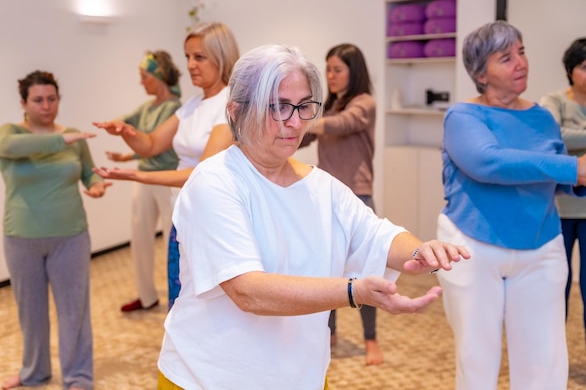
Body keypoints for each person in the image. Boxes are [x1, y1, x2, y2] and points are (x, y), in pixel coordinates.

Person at [155, 44, 470, 390]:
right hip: (209, 378)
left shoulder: (322, 186)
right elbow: (248, 291)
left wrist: (418, 251)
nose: (294, 121)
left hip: (298, 376)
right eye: (278, 107)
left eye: (304, 106)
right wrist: (353, 292)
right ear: (236, 112)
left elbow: (377, 233)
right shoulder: (214, 182)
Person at [436, 21, 586, 390]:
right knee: (478, 359)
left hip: (541, 245)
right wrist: (573, 168)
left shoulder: (542, 117)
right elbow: (490, 163)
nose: (521, 63)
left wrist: (576, 182)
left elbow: (549, 179)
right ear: (480, 74)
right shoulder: (463, 117)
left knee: (545, 362)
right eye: (506, 57)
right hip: (472, 246)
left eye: (521, 52)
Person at [93, 22, 239, 309]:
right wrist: (127, 132)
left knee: (204, 304)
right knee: (182, 299)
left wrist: (138, 175)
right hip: (183, 214)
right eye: (187, 57)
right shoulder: (193, 105)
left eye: (199, 57)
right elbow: (151, 145)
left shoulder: (229, 104)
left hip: (210, 217)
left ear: (221, 57)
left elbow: (203, 174)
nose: (190, 65)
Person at [0, 70, 112, 390]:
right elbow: (11, 147)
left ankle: (78, 377)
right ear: (23, 102)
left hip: (70, 236)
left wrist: (97, 184)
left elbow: (89, 173)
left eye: (52, 99)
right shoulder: (9, 134)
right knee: (31, 313)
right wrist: (62, 139)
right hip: (21, 238)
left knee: (74, 312)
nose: (46, 106)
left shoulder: (73, 137)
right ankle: (34, 371)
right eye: (38, 100)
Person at [300, 43, 382, 365]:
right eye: (328, 69)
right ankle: (329, 333)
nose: (330, 75)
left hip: (358, 195)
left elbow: (344, 123)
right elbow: (309, 136)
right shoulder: (327, 108)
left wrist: (309, 121)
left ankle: (371, 339)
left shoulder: (365, 104)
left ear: (354, 71)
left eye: (337, 69)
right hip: (327, 197)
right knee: (329, 271)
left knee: (366, 270)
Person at [105, 50, 182, 312]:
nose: (141, 82)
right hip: (143, 179)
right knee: (139, 238)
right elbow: (130, 125)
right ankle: (146, 296)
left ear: (158, 76)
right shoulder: (147, 108)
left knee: (170, 242)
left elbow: (155, 144)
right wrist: (114, 125)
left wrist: (129, 152)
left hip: (167, 179)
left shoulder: (175, 108)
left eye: (144, 76)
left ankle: (178, 295)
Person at [540, 37, 586, 336]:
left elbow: (567, 139)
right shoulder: (554, 101)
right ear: (570, 70)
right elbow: (552, 135)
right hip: (557, 208)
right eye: (584, 66)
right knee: (555, 285)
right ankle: (551, 357)